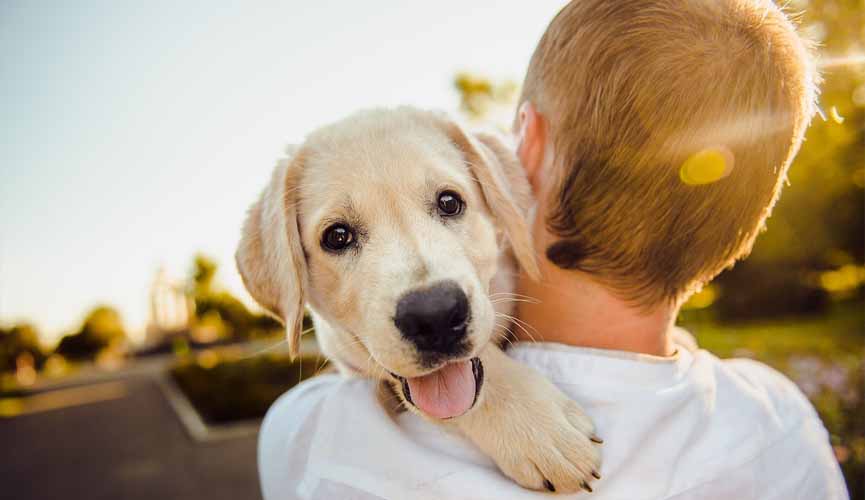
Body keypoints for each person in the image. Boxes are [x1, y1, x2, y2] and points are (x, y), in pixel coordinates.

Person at [257, 0, 849, 498]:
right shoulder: (783, 426)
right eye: (340, 237)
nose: (425, 282)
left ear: (525, 150)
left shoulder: (315, 440)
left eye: (448, 203)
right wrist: (491, 396)